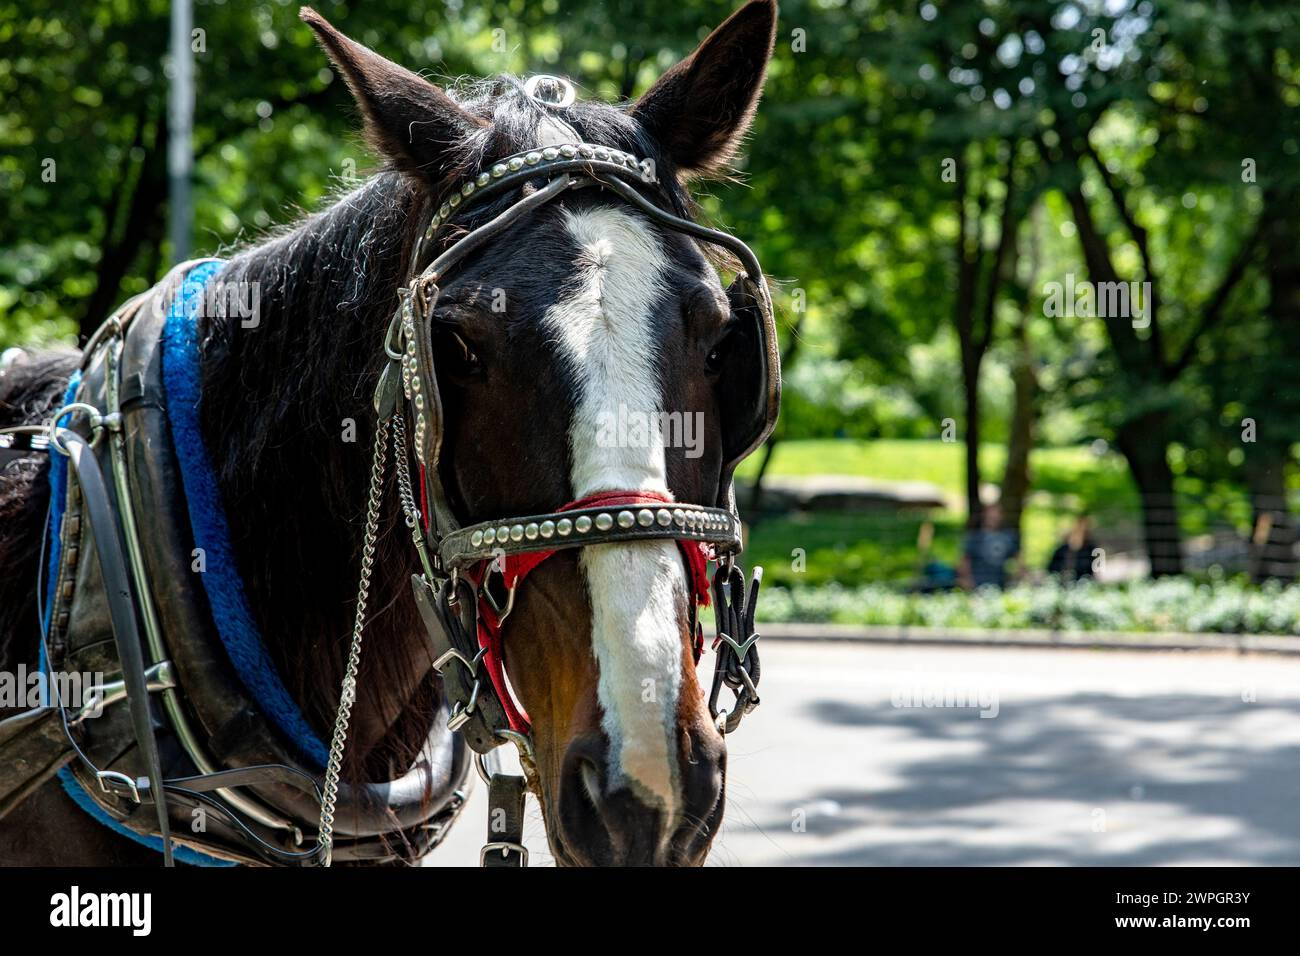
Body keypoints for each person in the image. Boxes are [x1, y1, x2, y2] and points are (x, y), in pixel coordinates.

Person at [958, 501, 1021, 589]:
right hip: (977, 585)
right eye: (991, 513)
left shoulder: (1009, 537)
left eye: (997, 513)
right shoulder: (974, 537)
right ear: (984, 514)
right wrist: (966, 580)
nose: (994, 516)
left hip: (1002, 585)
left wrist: (1017, 578)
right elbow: (964, 561)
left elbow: (1019, 561)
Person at [1047, 515, 1099, 582]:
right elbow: (1052, 568)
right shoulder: (1061, 550)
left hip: (1083, 583)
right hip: (1062, 583)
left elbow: (1095, 570)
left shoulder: (1091, 549)